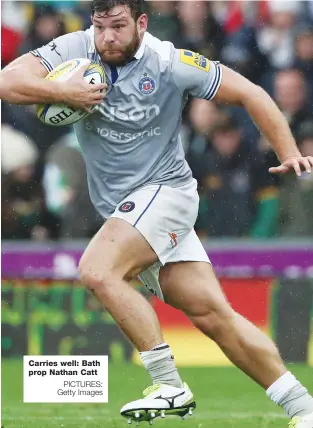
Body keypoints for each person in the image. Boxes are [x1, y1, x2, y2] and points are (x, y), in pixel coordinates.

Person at [1, 0, 313, 426]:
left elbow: (250, 93)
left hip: (166, 193)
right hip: (129, 211)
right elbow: (7, 81)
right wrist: (62, 91)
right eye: (99, 27)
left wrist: (289, 151)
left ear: (141, 23)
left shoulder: (171, 63)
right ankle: (304, 408)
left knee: (97, 270)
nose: (106, 37)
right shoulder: (77, 48)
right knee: (212, 314)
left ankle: (169, 385)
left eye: (118, 26)